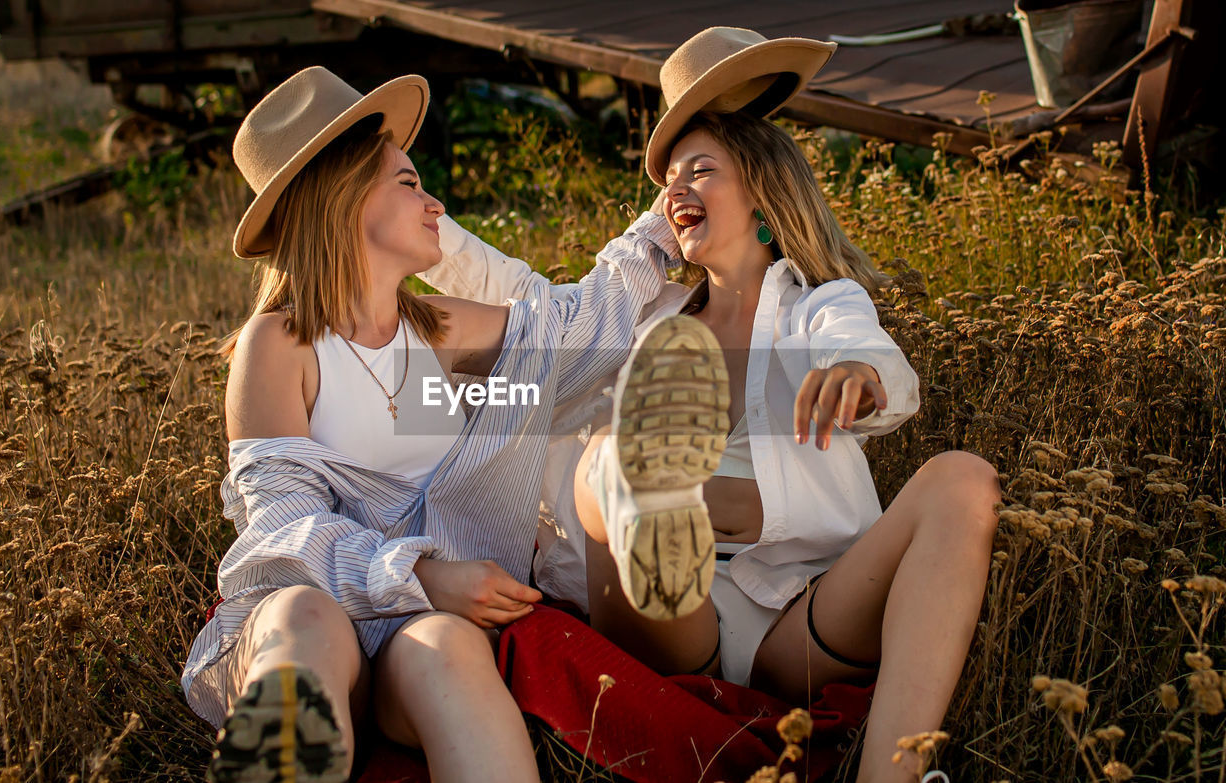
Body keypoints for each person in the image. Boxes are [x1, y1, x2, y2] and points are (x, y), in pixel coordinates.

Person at [422, 28, 999, 783]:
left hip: (793, 617)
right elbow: (533, 306)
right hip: (667, 615)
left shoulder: (816, 308)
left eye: (702, 171)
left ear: (763, 193)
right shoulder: (644, 320)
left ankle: (893, 775)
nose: (675, 190)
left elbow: (866, 351)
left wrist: (860, 371)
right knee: (608, 456)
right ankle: (668, 514)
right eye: (669, 181)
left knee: (963, 478)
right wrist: (424, 243)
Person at [181, 67, 678, 782]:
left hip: (414, 632)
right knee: (303, 622)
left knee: (449, 648)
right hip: (324, 620)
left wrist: (662, 221)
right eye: (409, 183)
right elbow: (283, 530)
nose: (434, 202)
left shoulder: (438, 331)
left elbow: (574, 333)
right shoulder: (280, 345)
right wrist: (420, 572)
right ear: (343, 195)